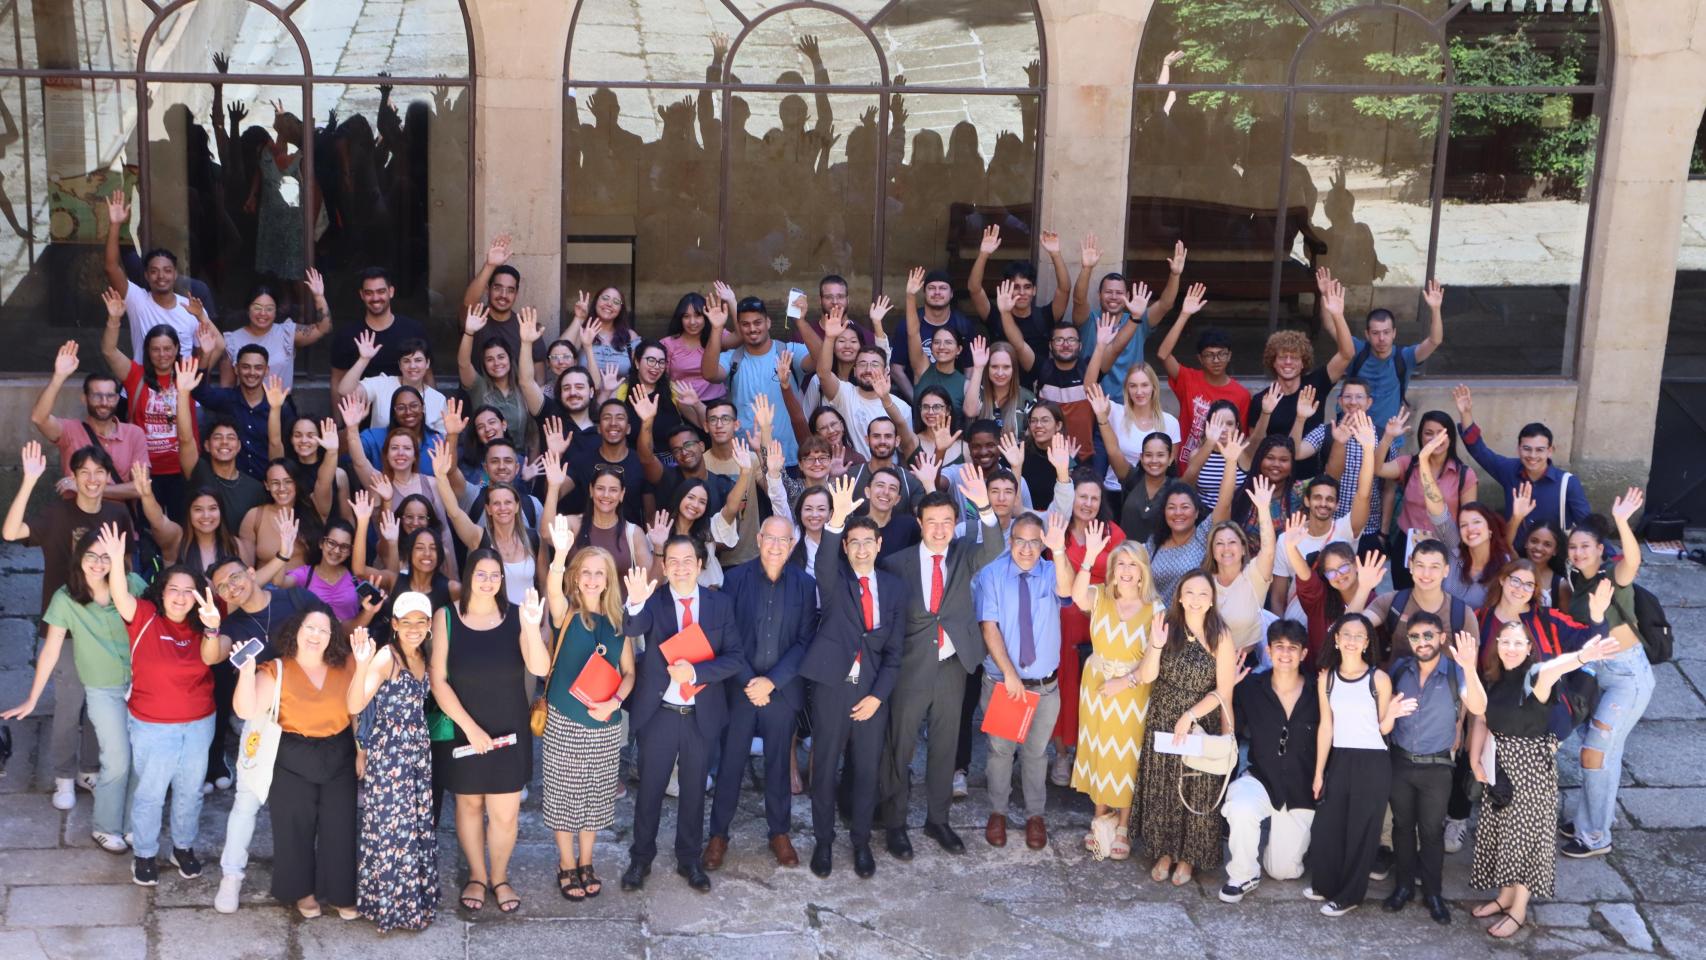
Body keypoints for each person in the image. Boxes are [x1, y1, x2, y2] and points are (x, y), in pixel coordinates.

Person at [4, 441, 136, 809]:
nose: (92, 480)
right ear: (73, 478)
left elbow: (126, 570)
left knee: (102, 703)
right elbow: (11, 532)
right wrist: (30, 481)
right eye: (84, 473)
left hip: (105, 627)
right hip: (64, 623)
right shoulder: (57, 514)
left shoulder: (118, 514)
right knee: (68, 702)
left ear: (108, 476)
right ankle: (64, 775)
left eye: (99, 472)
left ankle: (89, 770)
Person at [877, 470, 1002, 860]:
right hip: (910, 669)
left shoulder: (965, 554)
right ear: (920, 523)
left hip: (952, 666)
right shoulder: (896, 563)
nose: (940, 529)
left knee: (946, 749)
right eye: (932, 522)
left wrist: (984, 504)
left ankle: (938, 819)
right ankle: (895, 823)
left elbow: (996, 547)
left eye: (947, 522)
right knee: (900, 747)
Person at [0, 525, 147, 851]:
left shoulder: (133, 585)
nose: (98, 563)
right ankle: (106, 826)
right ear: (80, 558)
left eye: (106, 557)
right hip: (103, 689)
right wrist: (32, 698)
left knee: (141, 758)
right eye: (91, 556)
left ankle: (133, 822)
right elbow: (51, 650)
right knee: (118, 759)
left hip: (142, 686)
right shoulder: (66, 598)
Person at [1469, 623, 1619, 939]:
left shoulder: (1535, 676)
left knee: (1525, 840)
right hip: (1498, 765)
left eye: (1517, 643)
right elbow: (1480, 716)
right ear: (1497, 644)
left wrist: (1581, 656)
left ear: (1528, 647)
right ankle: (1504, 896)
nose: (1510, 648)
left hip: (1530, 771)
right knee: (1502, 835)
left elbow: (1554, 669)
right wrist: (1473, 758)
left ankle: (1519, 909)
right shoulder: (1493, 679)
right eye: (1505, 642)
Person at [429, 549, 551, 914]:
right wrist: (469, 728)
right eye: (481, 574)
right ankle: (477, 876)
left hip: (508, 729)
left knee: (505, 813)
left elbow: (540, 666)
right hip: (463, 728)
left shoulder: (516, 617)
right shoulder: (446, 616)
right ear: (468, 577)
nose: (488, 581)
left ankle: (500, 876)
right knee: (468, 805)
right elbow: (437, 680)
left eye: (494, 575)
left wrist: (531, 625)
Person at [619, 537, 742, 894]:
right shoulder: (654, 602)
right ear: (666, 565)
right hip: (660, 713)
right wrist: (636, 600)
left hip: (700, 713)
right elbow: (632, 627)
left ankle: (688, 857)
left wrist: (696, 674)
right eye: (673, 560)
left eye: (688, 560)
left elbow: (734, 657)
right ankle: (641, 857)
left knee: (693, 791)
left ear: (700, 564)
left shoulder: (720, 604)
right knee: (650, 791)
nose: (681, 567)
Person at [799, 477, 905, 879]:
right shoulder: (833, 580)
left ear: (879, 546)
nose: (861, 548)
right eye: (853, 542)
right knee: (824, 769)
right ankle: (823, 842)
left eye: (868, 542)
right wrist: (836, 520)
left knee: (865, 769)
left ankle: (861, 842)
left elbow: (895, 653)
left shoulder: (894, 588)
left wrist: (878, 696)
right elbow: (823, 561)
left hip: (871, 693)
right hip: (831, 688)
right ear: (846, 547)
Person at [103, 529, 217, 887]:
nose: (181, 597)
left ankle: (182, 847)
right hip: (153, 725)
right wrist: (117, 560)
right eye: (174, 589)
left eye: (189, 591)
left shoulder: (205, 623)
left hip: (199, 723)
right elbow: (119, 594)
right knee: (151, 792)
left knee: (191, 790)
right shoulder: (145, 616)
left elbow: (211, 659)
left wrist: (213, 628)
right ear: (161, 591)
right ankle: (145, 854)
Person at [231, 608, 359, 919]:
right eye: (310, 627)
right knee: (294, 827)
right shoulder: (276, 669)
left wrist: (361, 751)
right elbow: (246, 710)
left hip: (339, 751)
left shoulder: (346, 666)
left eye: (324, 630)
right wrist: (246, 675)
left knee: (340, 825)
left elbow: (357, 711)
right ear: (296, 630)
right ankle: (303, 892)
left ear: (332, 638)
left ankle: (342, 894)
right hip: (291, 754)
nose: (316, 635)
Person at [707, 515, 819, 870]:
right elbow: (726, 636)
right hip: (740, 689)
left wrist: (772, 681)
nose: (775, 546)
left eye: (783, 541)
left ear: (792, 544)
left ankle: (779, 832)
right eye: (769, 538)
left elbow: (805, 641)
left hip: (781, 691)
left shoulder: (804, 584)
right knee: (730, 764)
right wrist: (748, 681)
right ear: (758, 539)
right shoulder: (735, 578)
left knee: (778, 765)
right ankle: (718, 835)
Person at [1559, 490, 1654, 860]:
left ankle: (1595, 836)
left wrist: (1622, 523)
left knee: (1594, 753)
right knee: (1605, 754)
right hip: (1598, 674)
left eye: (1586, 546)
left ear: (1600, 549)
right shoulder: (1575, 580)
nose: (1579, 552)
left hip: (1627, 677)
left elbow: (1633, 560)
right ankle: (1590, 820)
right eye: (1574, 547)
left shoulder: (1613, 574)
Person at [973, 511, 1075, 851]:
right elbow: (989, 627)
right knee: (1000, 751)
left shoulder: (1050, 572)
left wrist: (1058, 551)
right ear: (1010, 541)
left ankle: (1035, 815)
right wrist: (1011, 676)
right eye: (1021, 541)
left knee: (1036, 753)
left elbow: (1067, 589)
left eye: (1035, 542)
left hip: (1045, 686)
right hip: (1005, 684)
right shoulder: (993, 574)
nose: (1027, 549)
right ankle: (998, 812)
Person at [541, 538, 634, 902]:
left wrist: (615, 702)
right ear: (576, 578)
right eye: (586, 573)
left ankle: (586, 862)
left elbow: (629, 672)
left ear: (609, 579)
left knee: (595, 798)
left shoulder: (618, 623)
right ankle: (566, 864)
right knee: (564, 797)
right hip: (564, 720)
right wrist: (561, 555)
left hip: (605, 723)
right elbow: (552, 586)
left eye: (600, 573)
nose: (593, 579)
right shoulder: (564, 612)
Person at [1133, 569, 1236, 885]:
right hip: (1163, 715)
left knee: (1196, 786)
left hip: (1198, 720)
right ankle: (1165, 851)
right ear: (1179, 596)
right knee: (1164, 787)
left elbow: (1224, 691)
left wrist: (1191, 714)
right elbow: (1148, 676)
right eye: (1189, 592)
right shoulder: (1166, 624)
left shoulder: (1220, 634)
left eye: (1203, 594)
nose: (1195, 599)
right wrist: (1155, 644)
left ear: (1211, 600)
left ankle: (1189, 857)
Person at [1306, 613, 1414, 917]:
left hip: (1372, 760)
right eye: (1346, 634)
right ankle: (1325, 885)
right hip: (1340, 757)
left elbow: (1383, 728)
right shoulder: (1326, 678)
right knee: (1329, 826)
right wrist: (1318, 773)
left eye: (1359, 635)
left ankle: (1350, 895)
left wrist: (1392, 713)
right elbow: (1326, 726)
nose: (1352, 640)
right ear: (1337, 640)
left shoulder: (1378, 678)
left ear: (1368, 642)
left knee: (1361, 832)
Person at [1382, 617, 1487, 925]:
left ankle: (1433, 892)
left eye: (1429, 634)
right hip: (1400, 762)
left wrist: (1469, 666)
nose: (1422, 641)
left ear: (1442, 637)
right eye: (1415, 636)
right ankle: (1403, 886)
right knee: (1402, 827)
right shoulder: (1400, 669)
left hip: (1437, 767)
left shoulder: (1456, 672)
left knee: (1431, 832)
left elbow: (1479, 707)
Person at [1067, 526, 1163, 862]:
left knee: (1126, 753)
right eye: (1120, 563)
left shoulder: (1156, 608)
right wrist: (1090, 556)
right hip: (1095, 684)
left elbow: (1154, 661)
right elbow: (1075, 596)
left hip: (1132, 690)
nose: (1125, 570)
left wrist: (1126, 682)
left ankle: (1122, 826)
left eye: (1132, 565)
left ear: (1142, 572)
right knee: (1098, 747)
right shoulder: (1100, 596)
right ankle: (1099, 818)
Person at [345, 593, 438, 929]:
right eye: (406, 622)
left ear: (429, 626)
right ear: (395, 625)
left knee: (412, 827)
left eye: (421, 621)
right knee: (392, 832)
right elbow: (356, 705)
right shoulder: (387, 657)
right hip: (390, 755)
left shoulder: (423, 655)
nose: (414, 628)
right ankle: (394, 909)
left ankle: (414, 902)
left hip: (416, 753)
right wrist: (360, 666)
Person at [1220, 620, 1319, 903]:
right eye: (1279, 647)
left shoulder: (1317, 690)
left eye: (1292, 648)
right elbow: (1229, 729)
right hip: (1261, 778)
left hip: (1301, 789)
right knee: (1240, 806)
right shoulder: (1252, 686)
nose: (1285, 654)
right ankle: (1243, 873)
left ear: (1303, 654)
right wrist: (1228, 688)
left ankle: (1279, 846)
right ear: (1269, 650)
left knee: (1282, 871)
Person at [1048, 471, 1127, 785]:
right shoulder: (1059, 530)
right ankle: (1061, 756)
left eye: (1095, 498)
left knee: (1091, 689)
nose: (1088, 503)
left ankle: (1086, 753)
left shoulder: (1113, 533)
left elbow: (1125, 577)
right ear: (1072, 499)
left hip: (1101, 622)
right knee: (1063, 685)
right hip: (1062, 620)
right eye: (1082, 496)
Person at [1245, 275, 1356, 477]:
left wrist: (1337, 315)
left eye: (1294, 357)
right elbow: (1254, 447)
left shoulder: (1316, 384)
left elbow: (1347, 354)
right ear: (1273, 361)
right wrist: (1265, 413)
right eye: (1282, 357)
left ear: (1303, 361)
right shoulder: (1262, 399)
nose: (1288, 362)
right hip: (1272, 480)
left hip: (1309, 478)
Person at [997, 282, 1124, 456]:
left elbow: (1116, 348)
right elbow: (1018, 345)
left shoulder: (1090, 368)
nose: (1065, 344)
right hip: (1044, 454)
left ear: (1080, 346)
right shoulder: (1042, 367)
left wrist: (1135, 318)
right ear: (1050, 346)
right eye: (1059, 340)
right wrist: (1004, 313)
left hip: (1082, 455)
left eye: (1071, 340)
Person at [1451, 384, 1588, 537]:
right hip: (1515, 555)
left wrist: (1610, 558)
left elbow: (1588, 528)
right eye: (1527, 448)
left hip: (1552, 558)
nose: (1533, 455)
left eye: (1540, 450)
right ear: (1518, 448)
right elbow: (1480, 451)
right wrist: (1466, 414)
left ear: (1550, 451)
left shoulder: (1568, 483)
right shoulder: (1509, 470)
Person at [101, 294, 191, 516]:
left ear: (177, 349)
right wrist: (114, 320)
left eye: (168, 348)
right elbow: (109, 351)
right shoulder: (135, 376)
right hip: (144, 470)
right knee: (148, 529)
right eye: (156, 349)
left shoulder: (186, 375)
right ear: (148, 352)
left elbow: (216, 348)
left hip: (180, 468)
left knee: (180, 528)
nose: (162, 355)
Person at [700, 295, 813, 464]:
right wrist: (717, 328)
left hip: (790, 458)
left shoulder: (787, 351)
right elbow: (709, 374)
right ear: (739, 327)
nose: (752, 328)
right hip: (748, 461)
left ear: (768, 322)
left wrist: (801, 322)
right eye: (745, 324)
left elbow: (820, 362)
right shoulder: (733, 358)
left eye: (757, 322)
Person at [1072, 233, 1186, 401]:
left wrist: (1175, 275)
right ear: (1099, 295)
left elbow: (1165, 304)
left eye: (1119, 293)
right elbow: (1078, 299)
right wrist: (1087, 268)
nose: (1113, 297)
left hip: (1131, 403)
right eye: (1108, 292)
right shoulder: (1089, 320)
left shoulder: (1138, 320)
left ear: (1127, 295)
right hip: (1093, 401)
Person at [1375, 410, 1478, 587]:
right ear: (1421, 437)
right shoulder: (1408, 464)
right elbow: (1377, 469)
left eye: (1441, 433)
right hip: (1408, 542)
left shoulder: (1464, 474)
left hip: (1445, 546)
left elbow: (1470, 518)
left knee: (1438, 599)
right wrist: (1387, 437)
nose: (1434, 438)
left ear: (1450, 437)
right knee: (1405, 596)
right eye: (1428, 433)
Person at [30, 340, 148, 485]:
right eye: (97, 396)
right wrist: (59, 376)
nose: (104, 402)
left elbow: (140, 487)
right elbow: (38, 418)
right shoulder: (70, 431)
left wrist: (85, 490)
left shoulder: (134, 434)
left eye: (110, 396)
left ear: (117, 399)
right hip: (75, 508)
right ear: (84, 399)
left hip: (119, 508)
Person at [1156, 283, 1250, 466]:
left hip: (1220, 470)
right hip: (1186, 466)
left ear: (1229, 355)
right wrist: (1184, 315)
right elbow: (1162, 354)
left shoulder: (1241, 395)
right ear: (1200, 358)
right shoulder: (1188, 379)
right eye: (1209, 355)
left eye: (1221, 354)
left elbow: (1242, 437)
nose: (1216, 360)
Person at [1346, 276, 1446, 434]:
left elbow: (1435, 340)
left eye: (1386, 332)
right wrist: (1328, 302)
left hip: (1389, 437)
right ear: (1367, 334)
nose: (1381, 338)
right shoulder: (1358, 351)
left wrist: (1435, 309)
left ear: (1394, 333)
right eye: (1375, 333)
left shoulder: (1404, 357)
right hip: (1352, 434)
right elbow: (1332, 328)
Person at [968, 225, 1071, 378]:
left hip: (1036, 392)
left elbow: (1064, 290)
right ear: (1006, 288)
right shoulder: (997, 316)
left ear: (1034, 290)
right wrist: (983, 254)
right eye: (1016, 287)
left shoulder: (1044, 316)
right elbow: (974, 289)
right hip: (1000, 387)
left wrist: (1055, 254)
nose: (1022, 293)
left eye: (1027, 287)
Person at [104, 194, 200, 357]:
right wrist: (115, 225)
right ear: (147, 276)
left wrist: (190, 380)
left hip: (182, 382)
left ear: (175, 274)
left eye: (167, 271)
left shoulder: (191, 309)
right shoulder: (138, 301)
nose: (161, 276)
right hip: (143, 381)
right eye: (154, 271)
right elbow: (111, 267)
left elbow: (205, 350)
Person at [173, 361, 268, 524]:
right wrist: (182, 393)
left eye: (230, 438)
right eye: (217, 438)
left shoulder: (255, 488)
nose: (224, 442)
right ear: (207, 446)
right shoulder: (199, 473)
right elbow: (185, 438)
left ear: (238, 446)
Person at [1363, 539, 1481, 666]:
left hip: (1445, 684)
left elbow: (1471, 672)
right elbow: (1350, 627)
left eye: (1434, 567)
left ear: (1446, 571)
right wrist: (1363, 588)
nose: (1426, 574)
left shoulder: (1463, 614)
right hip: (1395, 683)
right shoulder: (1392, 602)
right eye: (1420, 565)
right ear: (1411, 566)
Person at [815, 305, 912, 459]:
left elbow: (908, 450)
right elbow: (823, 374)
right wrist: (830, 337)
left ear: (886, 371)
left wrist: (877, 324)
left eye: (874, 365)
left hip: (886, 478)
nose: (868, 369)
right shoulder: (845, 394)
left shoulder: (902, 408)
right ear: (854, 370)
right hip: (851, 476)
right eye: (862, 364)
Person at [1283, 520, 1384, 666]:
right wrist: (1291, 548)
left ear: (1356, 565)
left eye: (1343, 568)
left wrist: (1364, 588)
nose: (1339, 575)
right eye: (1331, 572)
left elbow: (1347, 630)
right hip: (1317, 678)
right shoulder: (1320, 599)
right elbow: (1306, 576)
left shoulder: (1375, 601)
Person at [329, 268, 429, 402]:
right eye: (369, 293)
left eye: (381, 291)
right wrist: (339, 422)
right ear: (361, 295)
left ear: (391, 292)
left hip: (408, 415)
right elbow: (337, 382)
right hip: (361, 415)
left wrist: (429, 418)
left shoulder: (413, 330)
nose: (375, 298)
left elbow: (427, 377)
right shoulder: (347, 335)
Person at [219, 275, 334, 390]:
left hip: (281, 404)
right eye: (257, 308)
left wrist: (319, 297)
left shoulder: (287, 333)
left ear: (275, 312)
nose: (263, 313)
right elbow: (227, 387)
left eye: (269, 308)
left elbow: (323, 328)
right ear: (248, 309)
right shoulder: (232, 340)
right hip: (244, 405)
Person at [1205, 477, 1278, 655]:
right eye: (1219, 543)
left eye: (1232, 542)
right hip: (1208, 666)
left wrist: (1263, 510)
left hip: (1245, 664)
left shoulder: (1253, 575)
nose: (1226, 548)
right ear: (1212, 551)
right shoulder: (1204, 582)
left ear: (1243, 549)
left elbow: (1268, 550)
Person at [458, 305, 545, 451]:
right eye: (490, 359)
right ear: (484, 364)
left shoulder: (523, 389)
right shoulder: (478, 386)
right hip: (484, 463)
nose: (497, 363)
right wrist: (469, 333)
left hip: (518, 464)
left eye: (501, 357)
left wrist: (530, 469)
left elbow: (533, 435)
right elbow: (463, 363)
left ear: (510, 359)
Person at [464, 234, 547, 379]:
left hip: (516, 400)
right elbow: (469, 303)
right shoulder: (475, 319)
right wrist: (490, 266)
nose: (503, 295)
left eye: (510, 290)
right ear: (487, 289)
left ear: (516, 294)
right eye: (498, 288)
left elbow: (538, 380)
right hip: (477, 398)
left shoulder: (526, 327)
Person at [336, 333, 448, 435]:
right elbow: (345, 391)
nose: (412, 366)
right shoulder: (382, 384)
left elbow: (443, 441)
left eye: (418, 360)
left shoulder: (438, 400)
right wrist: (363, 359)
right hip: (379, 454)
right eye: (406, 361)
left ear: (427, 363)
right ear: (400, 365)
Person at [902, 266, 977, 373]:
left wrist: (967, 389)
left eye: (943, 288)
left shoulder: (964, 326)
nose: (937, 292)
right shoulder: (922, 368)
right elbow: (912, 333)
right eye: (932, 288)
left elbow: (970, 368)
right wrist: (910, 296)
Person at [661, 289, 726, 402]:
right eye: (686, 316)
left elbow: (740, 338)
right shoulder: (668, 344)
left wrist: (732, 301)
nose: (692, 322)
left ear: (706, 316)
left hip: (716, 404)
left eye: (698, 315)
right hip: (682, 405)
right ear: (680, 319)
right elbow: (661, 379)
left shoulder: (717, 333)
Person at [963, 340, 1033, 440]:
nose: (1000, 373)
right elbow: (970, 411)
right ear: (988, 368)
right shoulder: (977, 393)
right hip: (981, 454)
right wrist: (978, 368)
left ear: (1014, 369)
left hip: (1016, 455)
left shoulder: (1027, 398)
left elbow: (1031, 439)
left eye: (1006, 367)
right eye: (994, 367)